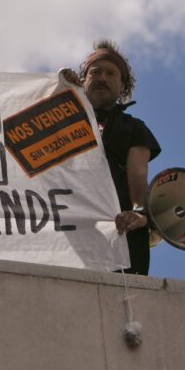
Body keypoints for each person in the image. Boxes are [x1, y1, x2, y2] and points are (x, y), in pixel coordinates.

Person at [64, 40, 161, 274]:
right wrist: (59, 92)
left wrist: (139, 213)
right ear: (83, 79)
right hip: (68, 228)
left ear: (122, 85)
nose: (102, 78)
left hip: (120, 232)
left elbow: (137, 176)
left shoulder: (134, 128)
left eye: (110, 73)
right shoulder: (63, 120)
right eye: (95, 72)